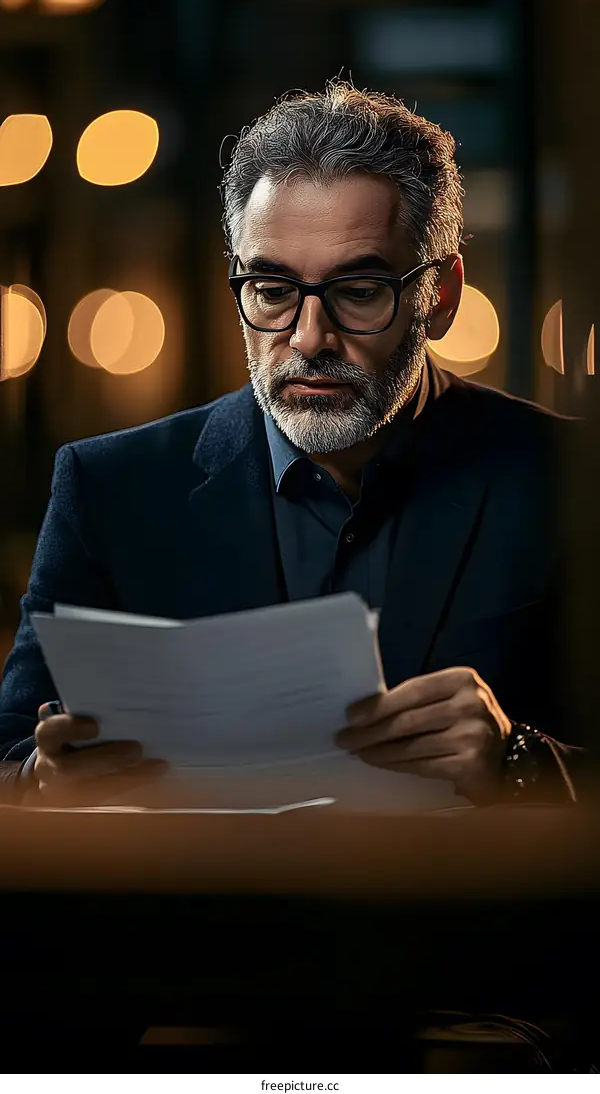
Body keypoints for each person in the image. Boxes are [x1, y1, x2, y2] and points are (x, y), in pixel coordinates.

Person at [0, 81, 585, 806]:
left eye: (359, 291)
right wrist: (42, 780)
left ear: (440, 296)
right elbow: (10, 761)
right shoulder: (108, 488)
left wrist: (520, 761)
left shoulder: (570, 481)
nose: (309, 339)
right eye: (273, 291)